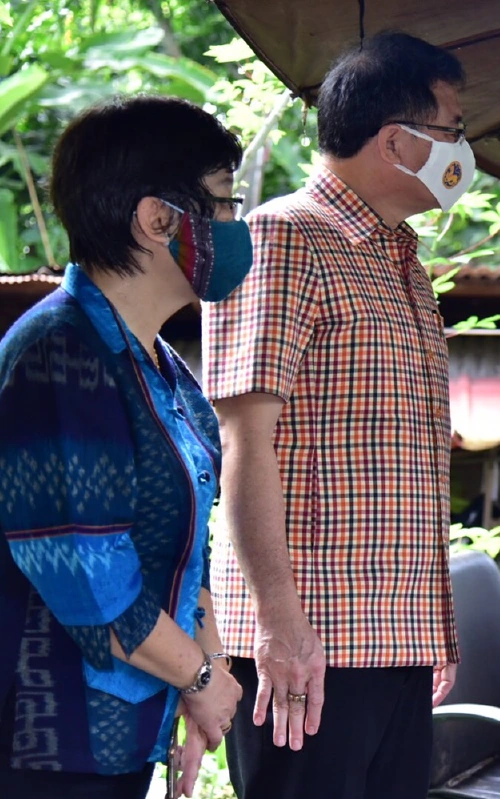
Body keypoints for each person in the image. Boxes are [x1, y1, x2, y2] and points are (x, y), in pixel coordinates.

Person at [202, 31, 470, 799]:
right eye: (455, 128)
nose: (465, 151)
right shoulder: (282, 238)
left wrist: (431, 630)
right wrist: (280, 625)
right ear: (397, 141)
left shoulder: (404, 262)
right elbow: (244, 437)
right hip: (311, 643)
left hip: (394, 639)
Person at [0, 95, 249, 798]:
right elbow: (90, 579)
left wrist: (202, 677)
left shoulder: (162, 368)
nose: (236, 226)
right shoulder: (60, 353)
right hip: (49, 746)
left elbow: (185, 546)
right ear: (157, 219)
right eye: (225, 203)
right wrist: (200, 677)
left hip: (125, 730)